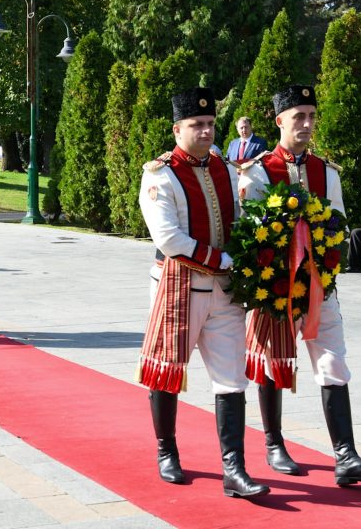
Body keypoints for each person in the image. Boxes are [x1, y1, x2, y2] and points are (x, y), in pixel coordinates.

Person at [238, 84, 361, 486]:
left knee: (333, 362)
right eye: (298, 117)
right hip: (274, 290)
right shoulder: (257, 170)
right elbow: (248, 233)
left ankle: (346, 455)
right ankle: (274, 444)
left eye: (311, 116)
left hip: (320, 286)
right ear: (279, 121)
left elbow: (338, 224)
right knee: (274, 362)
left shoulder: (326, 171)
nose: (306, 124)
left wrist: (326, 261)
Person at [137, 87, 269, 498]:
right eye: (197, 125)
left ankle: (235, 469)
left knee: (233, 379)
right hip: (181, 288)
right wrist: (224, 260)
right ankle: (166, 451)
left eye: (211, 124)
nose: (206, 131)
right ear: (178, 129)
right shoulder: (160, 173)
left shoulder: (226, 168)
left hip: (226, 293)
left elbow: (242, 217)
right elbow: (168, 237)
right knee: (168, 369)